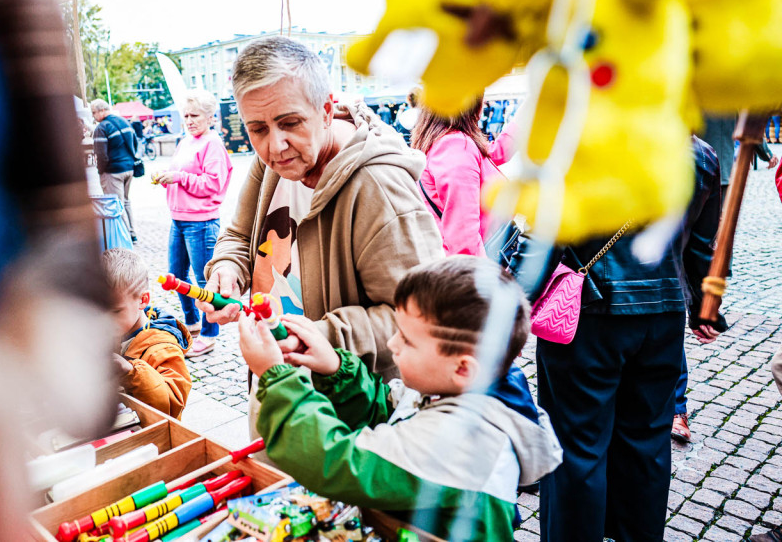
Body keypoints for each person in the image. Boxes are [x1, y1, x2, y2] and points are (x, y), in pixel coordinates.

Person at [238, 257, 562, 541]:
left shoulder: (466, 440)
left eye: (407, 339)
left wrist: (276, 376)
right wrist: (336, 369)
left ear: (463, 368)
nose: (392, 344)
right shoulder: (466, 390)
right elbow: (392, 416)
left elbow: (339, 463)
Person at [199, 35, 442, 381]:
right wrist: (227, 269)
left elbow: (424, 316)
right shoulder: (269, 161)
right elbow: (238, 235)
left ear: (326, 110)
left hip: (346, 410)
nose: (275, 145)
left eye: (290, 123)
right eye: (258, 129)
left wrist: (317, 336)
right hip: (277, 383)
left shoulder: (378, 186)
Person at [536, 134, 721, 542]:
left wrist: (518, 301)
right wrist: (705, 309)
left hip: (590, 317)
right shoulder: (701, 153)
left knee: (577, 447)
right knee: (647, 445)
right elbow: (703, 246)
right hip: (662, 318)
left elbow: (548, 233)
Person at [152, 90, 234, 357]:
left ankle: (210, 335)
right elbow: (182, 173)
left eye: (194, 115)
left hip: (201, 222)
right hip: (179, 219)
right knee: (175, 276)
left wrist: (178, 177)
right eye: (186, 115)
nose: (189, 120)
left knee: (203, 281)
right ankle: (192, 322)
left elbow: (213, 184)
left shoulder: (213, 144)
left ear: (210, 117)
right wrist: (165, 176)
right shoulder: (186, 141)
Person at [412, 98, 516, 256]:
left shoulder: (445, 140)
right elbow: (465, 241)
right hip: (484, 264)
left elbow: (494, 153)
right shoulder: (456, 145)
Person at [671, 136, 723, 443]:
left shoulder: (701, 153)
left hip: (666, 289)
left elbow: (700, 247)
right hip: (600, 293)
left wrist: (703, 309)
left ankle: (678, 410)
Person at [104, 248, 192, 418]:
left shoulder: (163, 348)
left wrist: (130, 371)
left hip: (154, 437)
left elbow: (170, 404)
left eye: (115, 312)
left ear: (143, 300)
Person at [92, 99, 139, 242]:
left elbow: (101, 155)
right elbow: (135, 144)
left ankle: (124, 236)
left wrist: (101, 171)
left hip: (113, 171)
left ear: (101, 111)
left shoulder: (102, 127)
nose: (93, 116)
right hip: (129, 168)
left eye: (94, 112)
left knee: (115, 203)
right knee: (125, 201)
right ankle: (132, 232)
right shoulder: (124, 122)